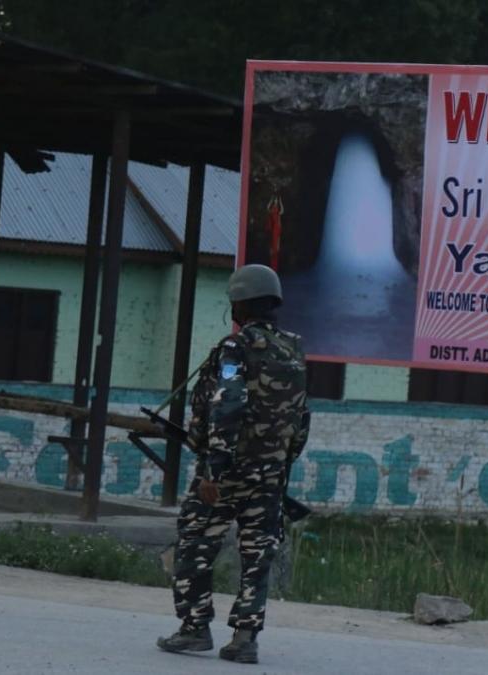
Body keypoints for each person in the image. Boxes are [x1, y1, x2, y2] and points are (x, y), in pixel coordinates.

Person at [158, 264, 309, 665]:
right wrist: (280, 465)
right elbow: (301, 418)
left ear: (238, 304)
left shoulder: (235, 348)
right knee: (258, 553)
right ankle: (245, 638)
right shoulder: (293, 348)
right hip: (270, 473)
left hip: (229, 472)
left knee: (195, 540)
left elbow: (228, 404)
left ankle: (194, 628)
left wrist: (215, 470)